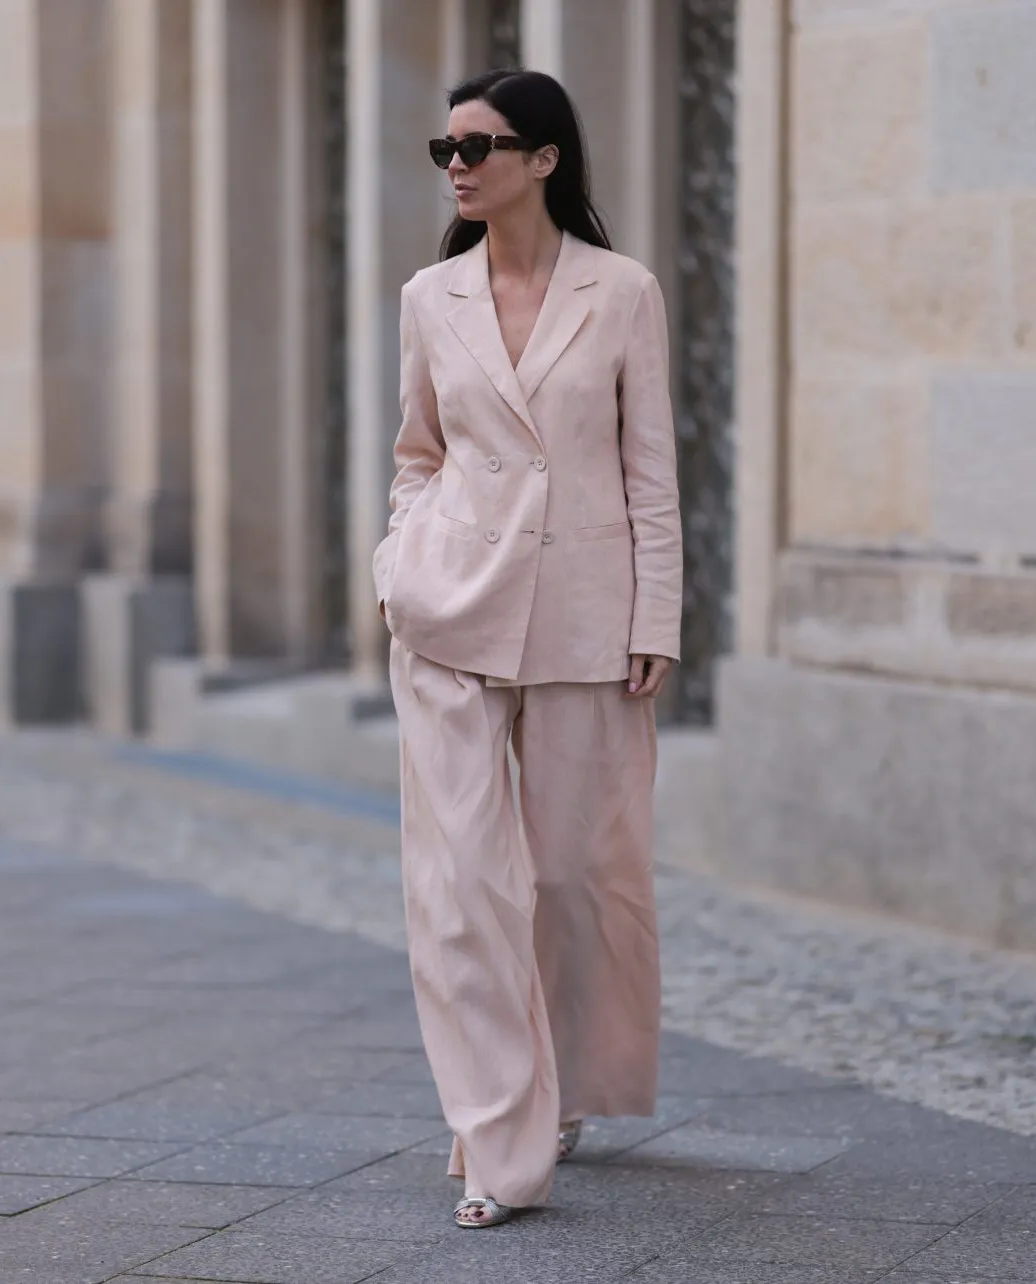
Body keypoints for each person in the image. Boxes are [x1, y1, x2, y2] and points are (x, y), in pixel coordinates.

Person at [371, 66, 683, 1230]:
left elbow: (649, 466)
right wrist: (399, 561)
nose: (456, 164)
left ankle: (563, 1088)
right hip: (449, 607)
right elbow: (416, 452)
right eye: (443, 147)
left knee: (567, 877)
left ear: (542, 159)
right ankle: (499, 1141)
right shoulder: (427, 295)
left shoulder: (622, 292)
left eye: (479, 144)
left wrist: (657, 617)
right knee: (459, 887)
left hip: (584, 608)